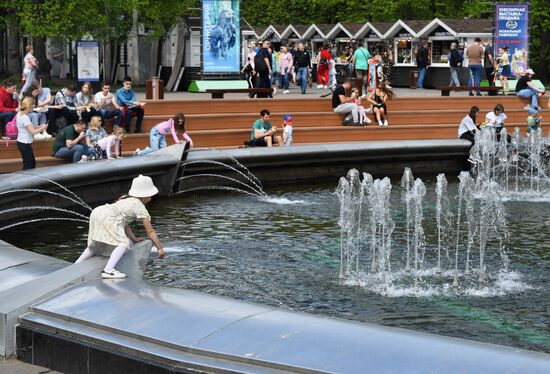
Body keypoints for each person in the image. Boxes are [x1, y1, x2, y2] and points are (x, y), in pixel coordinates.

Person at [75, 174, 165, 279]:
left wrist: (134, 238)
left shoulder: (125, 198)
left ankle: (76, 265)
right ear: (145, 196)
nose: (151, 198)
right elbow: (150, 232)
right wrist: (160, 248)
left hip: (98, 211)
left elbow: (123, 222)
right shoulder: (139, 206)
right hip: (109, 216)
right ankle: (108, 271)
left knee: (96, 244)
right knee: (123, 243)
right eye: (151, 195)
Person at [16, 97, 48, 170]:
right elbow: (33, 131)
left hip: (21, 142)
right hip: (25, 143)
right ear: (28, 106)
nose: (33, 108)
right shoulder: (25, 117)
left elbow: (30, 127)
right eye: (32, 106)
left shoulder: (19, 114)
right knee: (29, 164)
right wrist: (43, 128)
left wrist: (39, 126)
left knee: (30, 162)